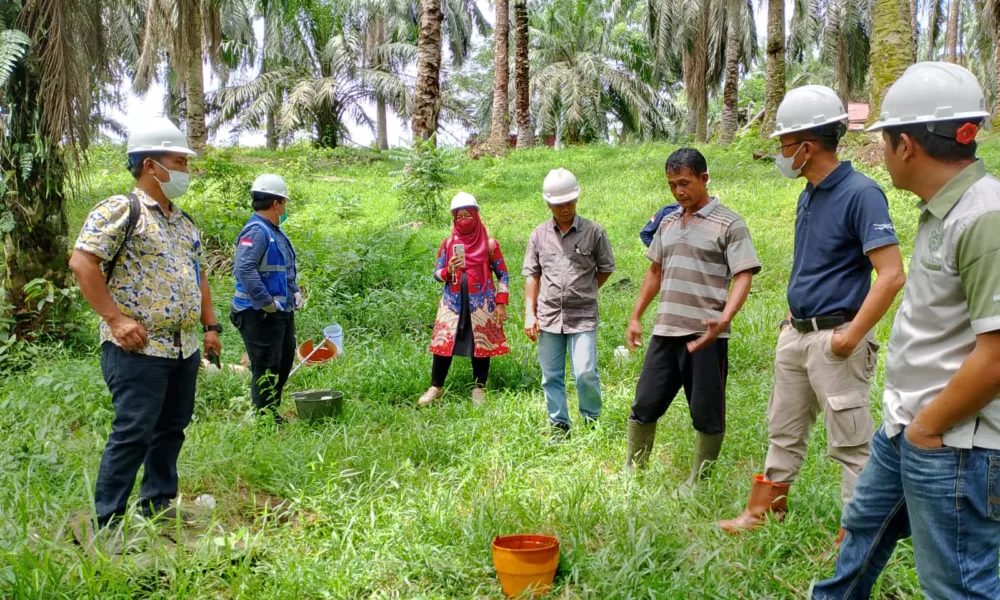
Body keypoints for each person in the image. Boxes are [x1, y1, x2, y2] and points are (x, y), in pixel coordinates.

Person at [812, 62, 1000, 600]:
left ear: (907, 146)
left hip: (954, 441)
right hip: (909, 428)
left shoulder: (983, 216)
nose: (884, 155)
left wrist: (927, 428)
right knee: (860, 540)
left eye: (886, 142)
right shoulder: (945, 210)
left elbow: (996, 355)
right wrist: (910, 428)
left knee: (956, 587)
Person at [717, 85, 906, 534]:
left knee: (851, 444)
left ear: (806, 146)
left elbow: (892, 274)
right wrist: (789, 320)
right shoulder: (809, 193)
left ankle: (855, 536)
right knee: (783, 430)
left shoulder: (862, 194)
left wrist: (851, 335)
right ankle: (763, 513)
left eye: (784, 144)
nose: (780, 153)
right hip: (797, 335)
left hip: (836, 339)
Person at [69, 118, 222, 527]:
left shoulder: (184, 222)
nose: (186, 171)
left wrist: (210, 327)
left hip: (183, 346)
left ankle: (157, 504)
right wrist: (115, 320)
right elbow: (83, 262)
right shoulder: (122, 210)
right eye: (179, 162)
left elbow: (198, 275)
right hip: (139, 347)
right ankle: (110, 520)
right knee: (133, 431)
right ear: (152, 166)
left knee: (172, 428)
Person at [624, 149, 761, 493]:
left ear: (704, 178)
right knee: (645, 403)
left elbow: (744, 275)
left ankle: (698, 483)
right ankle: (633, 469)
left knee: (706, 411)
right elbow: (655, 271)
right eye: (672, 185)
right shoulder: (668, 222)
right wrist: (636, 316)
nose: (678, 191)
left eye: (684, 183)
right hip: (665, 331)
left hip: (706, 336)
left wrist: (724, 318)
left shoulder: (730, 223)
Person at [523, 168, 616, 436]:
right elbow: (532, 274)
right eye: (557, 204)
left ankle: (591, 421)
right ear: (548, 203)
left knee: (585, 372)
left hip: (583, 315)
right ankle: (559, 425)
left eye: (569, 202)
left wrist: (587, 288)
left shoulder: (594, 232)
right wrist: (530, 313)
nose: (564, 209)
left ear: (577, 200)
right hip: (549, 315)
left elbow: (606, 268)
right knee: (551, 376)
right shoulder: (539, 235)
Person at [419, 192, 510, 406]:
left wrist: (501, 302)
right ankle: (436, 387)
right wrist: (448, 271)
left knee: (481, 345)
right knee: (443, 344)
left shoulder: (490, 244)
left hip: (481, 305)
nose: (462, 220)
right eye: (458, 217)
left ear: (476, 216)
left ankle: (479, 388)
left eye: (467, 215)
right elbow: (436, 273)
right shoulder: (448, 243)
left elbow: (503, 274)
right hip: (452, 305)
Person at [230, 174, 301, 422]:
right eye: (284, 203)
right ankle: (264, 416)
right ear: (276, 204)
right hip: (257, 313)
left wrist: (295, 291)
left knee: (283, 360)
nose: (285, 208)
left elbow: (283, 268)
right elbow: (245, 269)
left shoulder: (274, 232)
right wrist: (267, 303)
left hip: (280, 311)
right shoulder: (257, 232)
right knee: (266, 365)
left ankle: (271, 410)